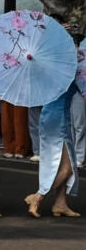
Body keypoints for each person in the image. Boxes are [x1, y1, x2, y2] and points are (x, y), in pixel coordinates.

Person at [24, 73, 80, 218]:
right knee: (68, 168)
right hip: (58, 119)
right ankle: (38, 197)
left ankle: (60, 204)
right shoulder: (69, 67)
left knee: (62, 164)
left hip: (52, 116)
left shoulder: (55, 66)